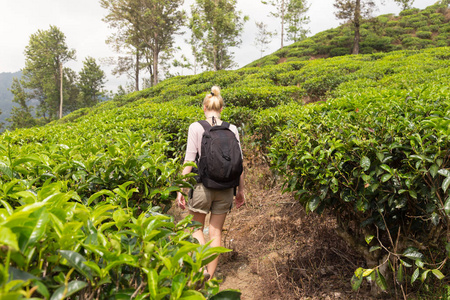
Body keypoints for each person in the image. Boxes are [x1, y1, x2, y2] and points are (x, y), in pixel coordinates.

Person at [176, 85, 245, 279]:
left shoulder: (196, 127)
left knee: (195, 228)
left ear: (204, 108)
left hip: (201, 187)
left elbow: (189, 160)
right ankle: (210, 277)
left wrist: (181, 188)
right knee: (215, 233)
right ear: (221, 108)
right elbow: (239, 161)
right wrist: (241, 190)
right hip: (226, 188)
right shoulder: (232, 128)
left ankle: (200, 270)